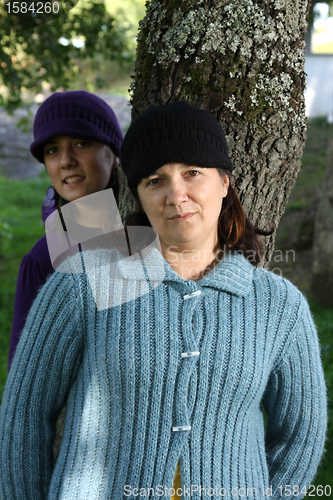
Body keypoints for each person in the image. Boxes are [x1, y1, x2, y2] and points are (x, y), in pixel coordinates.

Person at [0, 101, 327, 500]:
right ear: (138, 194)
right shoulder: (82, 283)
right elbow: (24, 415)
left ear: (224, 182)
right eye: (155, 180)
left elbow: (300, 436)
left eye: (193, 173)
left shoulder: (280, 307)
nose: (176, 195)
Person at [7, 90, 123, 371]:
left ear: (114, 153)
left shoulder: (151, 232)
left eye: (82, 143)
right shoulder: (44, 258)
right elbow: (24, 380)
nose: (66, 160)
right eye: (52, 150)